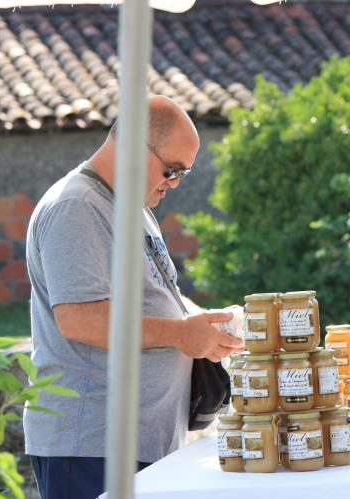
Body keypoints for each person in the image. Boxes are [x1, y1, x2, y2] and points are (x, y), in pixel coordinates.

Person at [24, 95, 244, 498]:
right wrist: (180, 335)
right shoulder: (77, 206)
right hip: (92, 446)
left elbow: (159, 298)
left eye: (184, 174)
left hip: (133, 445)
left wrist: (209, 325)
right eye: (172, 169)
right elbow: (79, 319)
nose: (175, 183)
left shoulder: (132, 207)